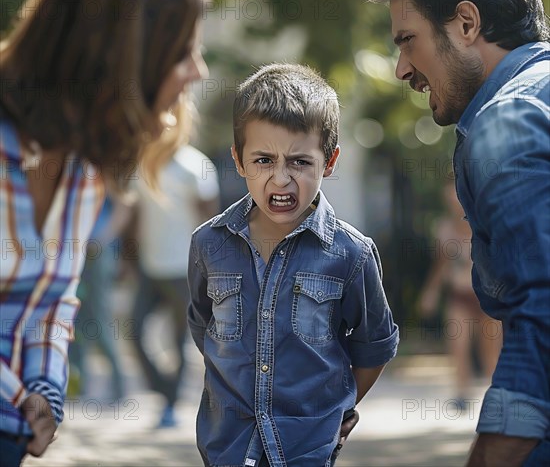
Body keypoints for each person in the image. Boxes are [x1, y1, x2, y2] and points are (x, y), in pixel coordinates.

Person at [0, 0, 212, 466]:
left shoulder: (84, 165)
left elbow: (50, 304)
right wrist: (18, 398)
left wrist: (46, 393)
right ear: (118, 60)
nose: (198, 70)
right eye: (182, 50)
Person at [356, 0, 549, 465]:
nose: (400, 69)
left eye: (407, 41)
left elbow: (544, 305)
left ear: (466, 23)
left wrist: (497, 450)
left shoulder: (504, 122)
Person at [187, 63, 399, 466]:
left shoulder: (351, 254)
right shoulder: (208, 244)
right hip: (227, 449)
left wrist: (336, 410)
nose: (281, 179)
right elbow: (205, 329)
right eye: (264, 160)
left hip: (307, 451)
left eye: (300, 162)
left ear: (329, 161)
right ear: (238, 160)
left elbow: (374, 347)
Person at [132, 100, 220, 428]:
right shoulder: (144, 164)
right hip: (149, 266)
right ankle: (165, 391)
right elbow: (134, 213)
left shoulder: (196, 166)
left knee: (179, 341)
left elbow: (210, 218)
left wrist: (211, 267)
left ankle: (170, 405)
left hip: (185, 269)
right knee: (135, 330)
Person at [418, 180, 501, 409]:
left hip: (487, 297)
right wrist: (431, 292)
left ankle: (497, 396)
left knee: (490, 352)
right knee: (458, 345)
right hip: (459, 295)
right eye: (450, 197)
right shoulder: (444, 228)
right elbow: (441, 264)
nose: (455, 202)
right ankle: (462, 394)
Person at [69, 195, 132, 401]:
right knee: (73, 319)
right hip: (73, 253)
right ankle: (77, 386)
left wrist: (102, 238)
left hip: (97, 254)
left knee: (99, 320)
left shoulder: (101, 167)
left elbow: (125, 204)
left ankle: (119, 385)